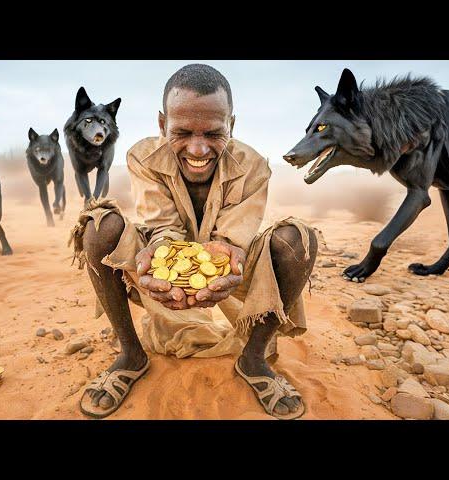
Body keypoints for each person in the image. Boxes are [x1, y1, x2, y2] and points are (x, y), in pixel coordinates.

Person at [69, 64, 318, 419]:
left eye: (214, 133)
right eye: (182, 132)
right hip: (161, 254)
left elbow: (232, 240)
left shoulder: (254, 167)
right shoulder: (142, 156)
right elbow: (164, 228)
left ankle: (253, 359)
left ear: (231, 124)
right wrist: (159, 255)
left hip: (234, 266)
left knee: (298, 239)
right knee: (97, 227)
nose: (198, 149)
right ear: (161, 124)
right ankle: (131, 355)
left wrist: (228, 254)